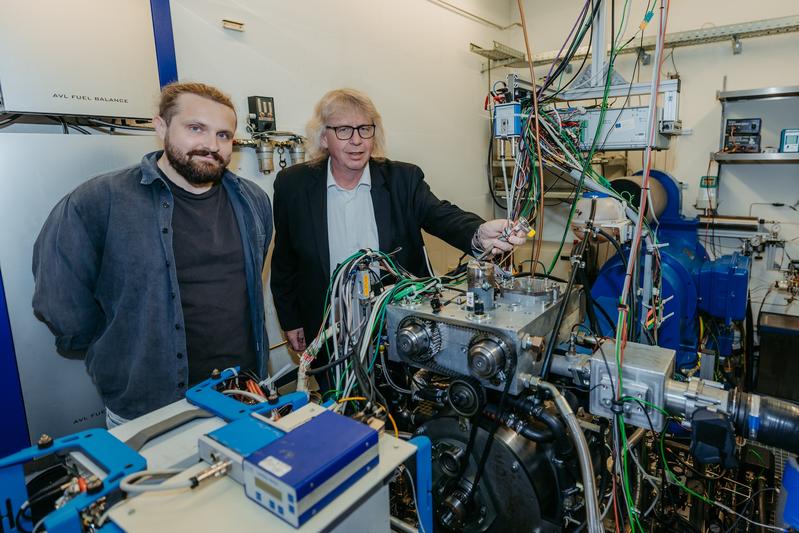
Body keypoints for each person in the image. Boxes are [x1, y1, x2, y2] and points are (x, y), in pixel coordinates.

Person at [32, 82, 272, 427]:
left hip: (244, 393)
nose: (211, 145)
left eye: (223, 135)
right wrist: (118, 348)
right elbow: (59, 300)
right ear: (161, 126)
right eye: (195, 129)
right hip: (149, 407)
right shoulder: (99, 200)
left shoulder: (252, 200)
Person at [271, 88, 527, 358]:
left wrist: (477, 233)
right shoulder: (293, 185)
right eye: (344, 130)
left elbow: (440, 214)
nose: (356, 140)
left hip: (397, 328)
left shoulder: (402, 179)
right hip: (327, 327)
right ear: (324, 137)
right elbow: (284, 261)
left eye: (364, 129)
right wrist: (291, 320)